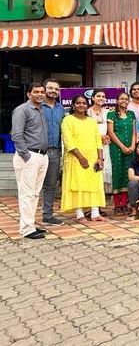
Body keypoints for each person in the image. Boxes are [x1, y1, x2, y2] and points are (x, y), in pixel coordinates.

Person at [11, 83, 50, 239]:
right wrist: (26, 156)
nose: (40, 94)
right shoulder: (22, 110)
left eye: (42, 92)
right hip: (29, 157)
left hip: (42, 156)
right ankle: (27, 229)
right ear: (28, 94)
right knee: (27, 194)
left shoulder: (41, 110)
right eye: (36, 92)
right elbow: (16, 135)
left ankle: (29, 224)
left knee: (34, 194)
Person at [60, 95, 106, 223]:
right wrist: (81, 158)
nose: (81, 105)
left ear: (87, 105)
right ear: (73, 105)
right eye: (78, 103)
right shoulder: (68, 120)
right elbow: (68, 141)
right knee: (77, 185)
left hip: (92, 158)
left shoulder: (91, 121)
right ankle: (79, 214)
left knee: (94, 185)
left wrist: (100, 158)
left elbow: (98, 141)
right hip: (75, 158)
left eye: (84, 103)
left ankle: (95, 213)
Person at [107, 92, 137, 215]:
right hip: (117, 148)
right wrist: (122, 146)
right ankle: (117, 204)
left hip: (131, 148)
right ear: (117, 100)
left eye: (126, 99)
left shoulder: (131, 114)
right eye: (121, 99)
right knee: (117, 173)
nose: (124, 101)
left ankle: (124, 203)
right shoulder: (111, 114)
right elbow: (111, 132)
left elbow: (134, 131)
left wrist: (133, 145)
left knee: (127, 174)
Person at [40, 78, 65, 226]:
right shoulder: (36, 106)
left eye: (56, 89)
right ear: (44, 89)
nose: (53, 91)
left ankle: (47, 215)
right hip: (37, 151)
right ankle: (27, 219)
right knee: (33, 186)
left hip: (55, 151)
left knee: (50, 185)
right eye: (50, 88)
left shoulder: (61, 109)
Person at [87, 89, 113, 195]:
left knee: (105, 168)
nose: (101, 98)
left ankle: (102, 195)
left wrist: (107, 136)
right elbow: (85, 130)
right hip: (91, 144)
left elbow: (111, 128)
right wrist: (99, 137)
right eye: (98, 96)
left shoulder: (108, 112)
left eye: (103, 96)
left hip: (105, 145)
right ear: (93, 98)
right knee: (93, 167)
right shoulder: (87, 112)